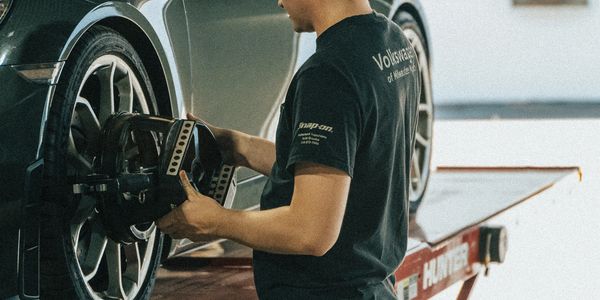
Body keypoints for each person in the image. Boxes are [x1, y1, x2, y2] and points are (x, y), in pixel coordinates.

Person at [157, 0, 421, 298]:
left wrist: (217, 221)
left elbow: (310, 231)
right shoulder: (394, 43)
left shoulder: (329, 74)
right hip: (372, 287)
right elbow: (339, 167)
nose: (280, 1)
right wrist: (237, 146)